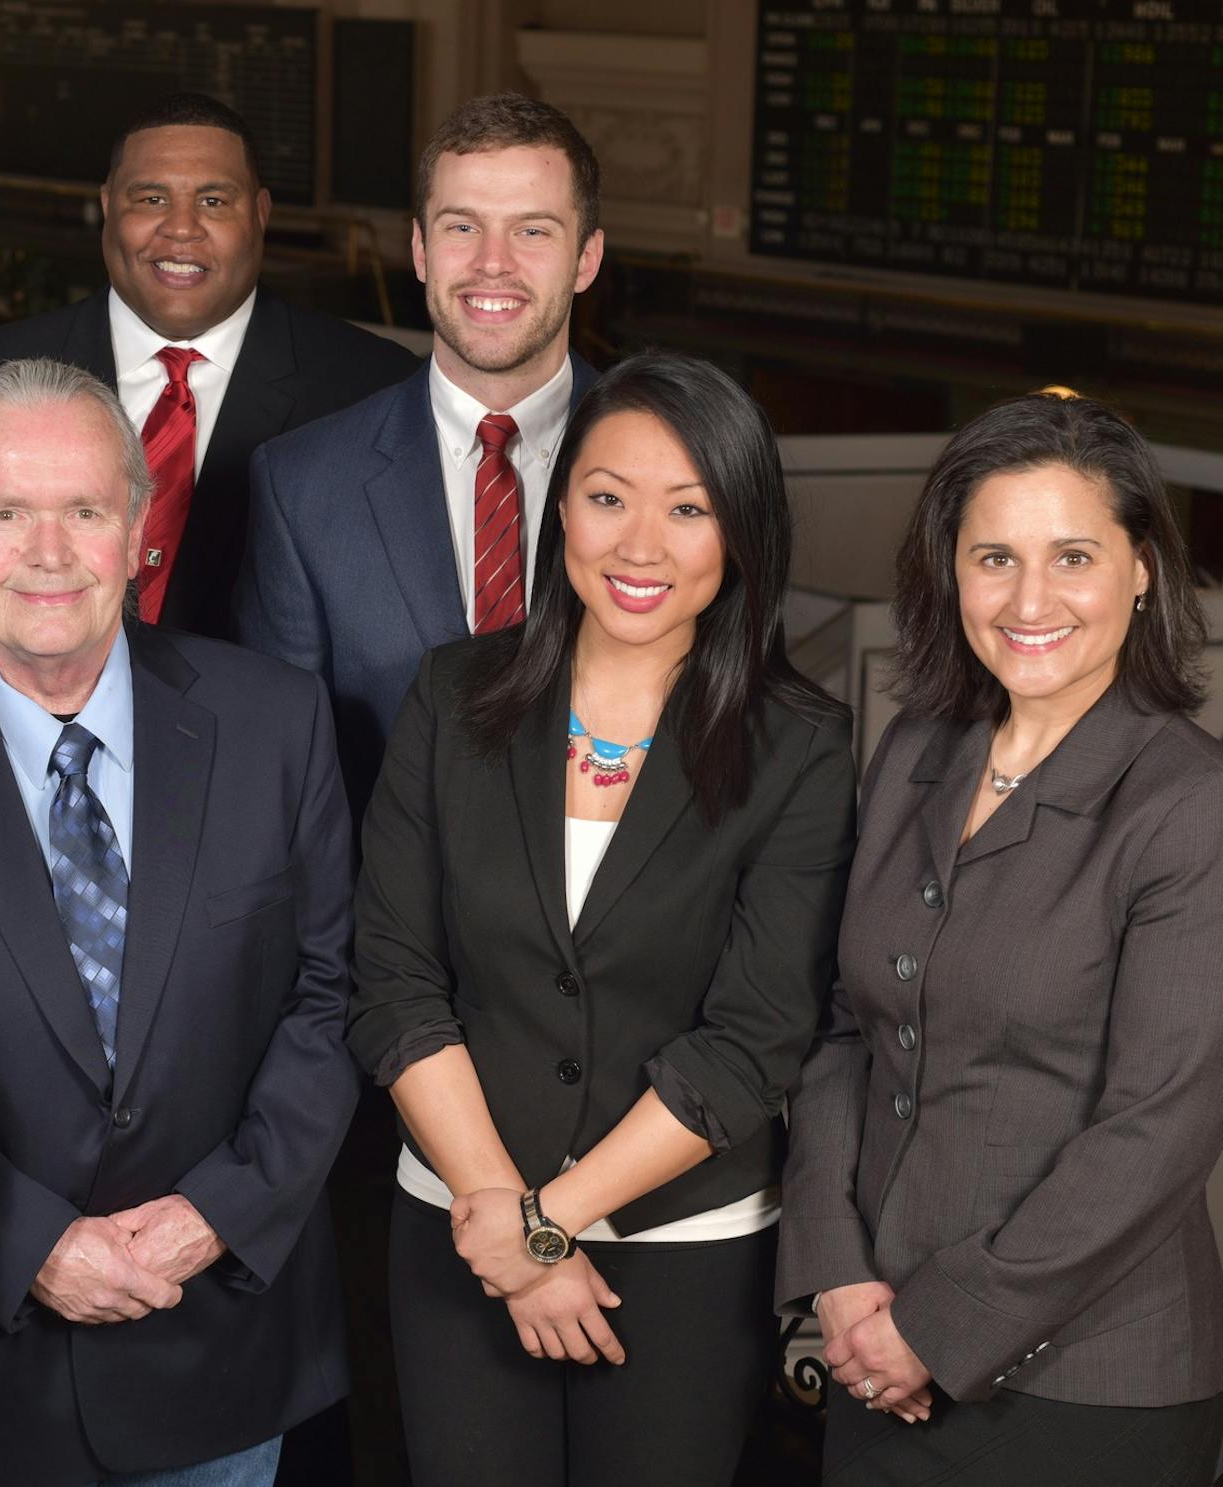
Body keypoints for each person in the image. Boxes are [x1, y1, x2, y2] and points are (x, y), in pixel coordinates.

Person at [0, 358, 359, 1487]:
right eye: (8, 511)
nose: (50, 551)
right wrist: (27, 1241)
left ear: (139, 529)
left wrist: (219, 1210)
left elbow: (331, 990)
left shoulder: (277, 721)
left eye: (84, 509)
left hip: (220, 1344)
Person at [347, 352, 856, 1487]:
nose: (639, 544)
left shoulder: (802, 747)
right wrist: (496, 1212)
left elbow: (754, 1035)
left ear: (743, 534)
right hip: (454, 1226)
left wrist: (546, 1228)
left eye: (690, 509)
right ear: (560, 502)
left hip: (679, 1252)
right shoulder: (451, 695)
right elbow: (392, 974)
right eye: (608, 495)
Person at [777, 393, 1223, 1485]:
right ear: (952, 571)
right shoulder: (917, 746)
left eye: (1073, 554)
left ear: (1140, 568)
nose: (1031, 598)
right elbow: (846, 1030)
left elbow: (1159, 1127)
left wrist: (935, 1327)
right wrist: (835, 1270)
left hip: (1086, 1390)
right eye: (995, 557)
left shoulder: (1189, 803)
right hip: (871, 1348)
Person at [235, 92, 605, 819]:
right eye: (461, 226)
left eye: (532, 230)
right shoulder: (302, 487)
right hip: (390, 927)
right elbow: (284, 783)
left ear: (586, 257)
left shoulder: (679, 467)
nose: (492, 264)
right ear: (419, 250)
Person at [0, 92, 415, 640]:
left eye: (214, 201)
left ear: (260, 215)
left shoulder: (375, 389)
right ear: (108, 205)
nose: (182, 228)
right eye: (151, 199)